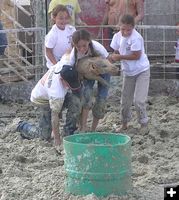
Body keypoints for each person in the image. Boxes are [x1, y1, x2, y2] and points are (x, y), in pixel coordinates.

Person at [16, 55, 82, 146]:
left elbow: (68, 53)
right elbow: (54, 116)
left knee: (76, 102)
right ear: (61, 79)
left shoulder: (64, 64)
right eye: (68, 84)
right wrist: (57, 139)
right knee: (44, 136)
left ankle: (68, 132)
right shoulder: (56, 91)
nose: (70, 86)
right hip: (41, 101)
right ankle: (21, 125)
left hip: (54, 94)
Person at [109, 14, 150, 131]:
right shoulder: (117, 36)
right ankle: (124, 123)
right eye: (123, 29)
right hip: (128, 72)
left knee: (139, 100)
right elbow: (115, 50)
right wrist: (112, 58)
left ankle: (143, 123)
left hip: (142, 70)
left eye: (129, 30)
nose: (126, 32)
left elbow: (136, 56)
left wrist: (118, 57)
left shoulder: (136, 38)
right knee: (125, 101)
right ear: (119, 27)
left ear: (133, 27)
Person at [69, 29, 111, 132]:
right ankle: (83, 126)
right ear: (74, 45)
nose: (82, 49)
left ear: (89, 41)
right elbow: (74, 72)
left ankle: (93, 129)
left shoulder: (98, 48)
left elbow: (107, 61)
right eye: (78, 47)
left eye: (84, 46)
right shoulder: (73, 56)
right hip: (87, 74)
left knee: (101, 99)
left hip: (102, 71)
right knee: (86, 96)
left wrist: (99, 70)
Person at [45, 4, 76, 69]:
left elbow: (74, 44)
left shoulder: (71, 29)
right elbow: (48, 51)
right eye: (61, 18)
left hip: (68, 61)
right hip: (56, 64)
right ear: (54, 17)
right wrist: (56, 65)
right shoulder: (52, 34)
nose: (64, 21)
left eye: (66, 18)